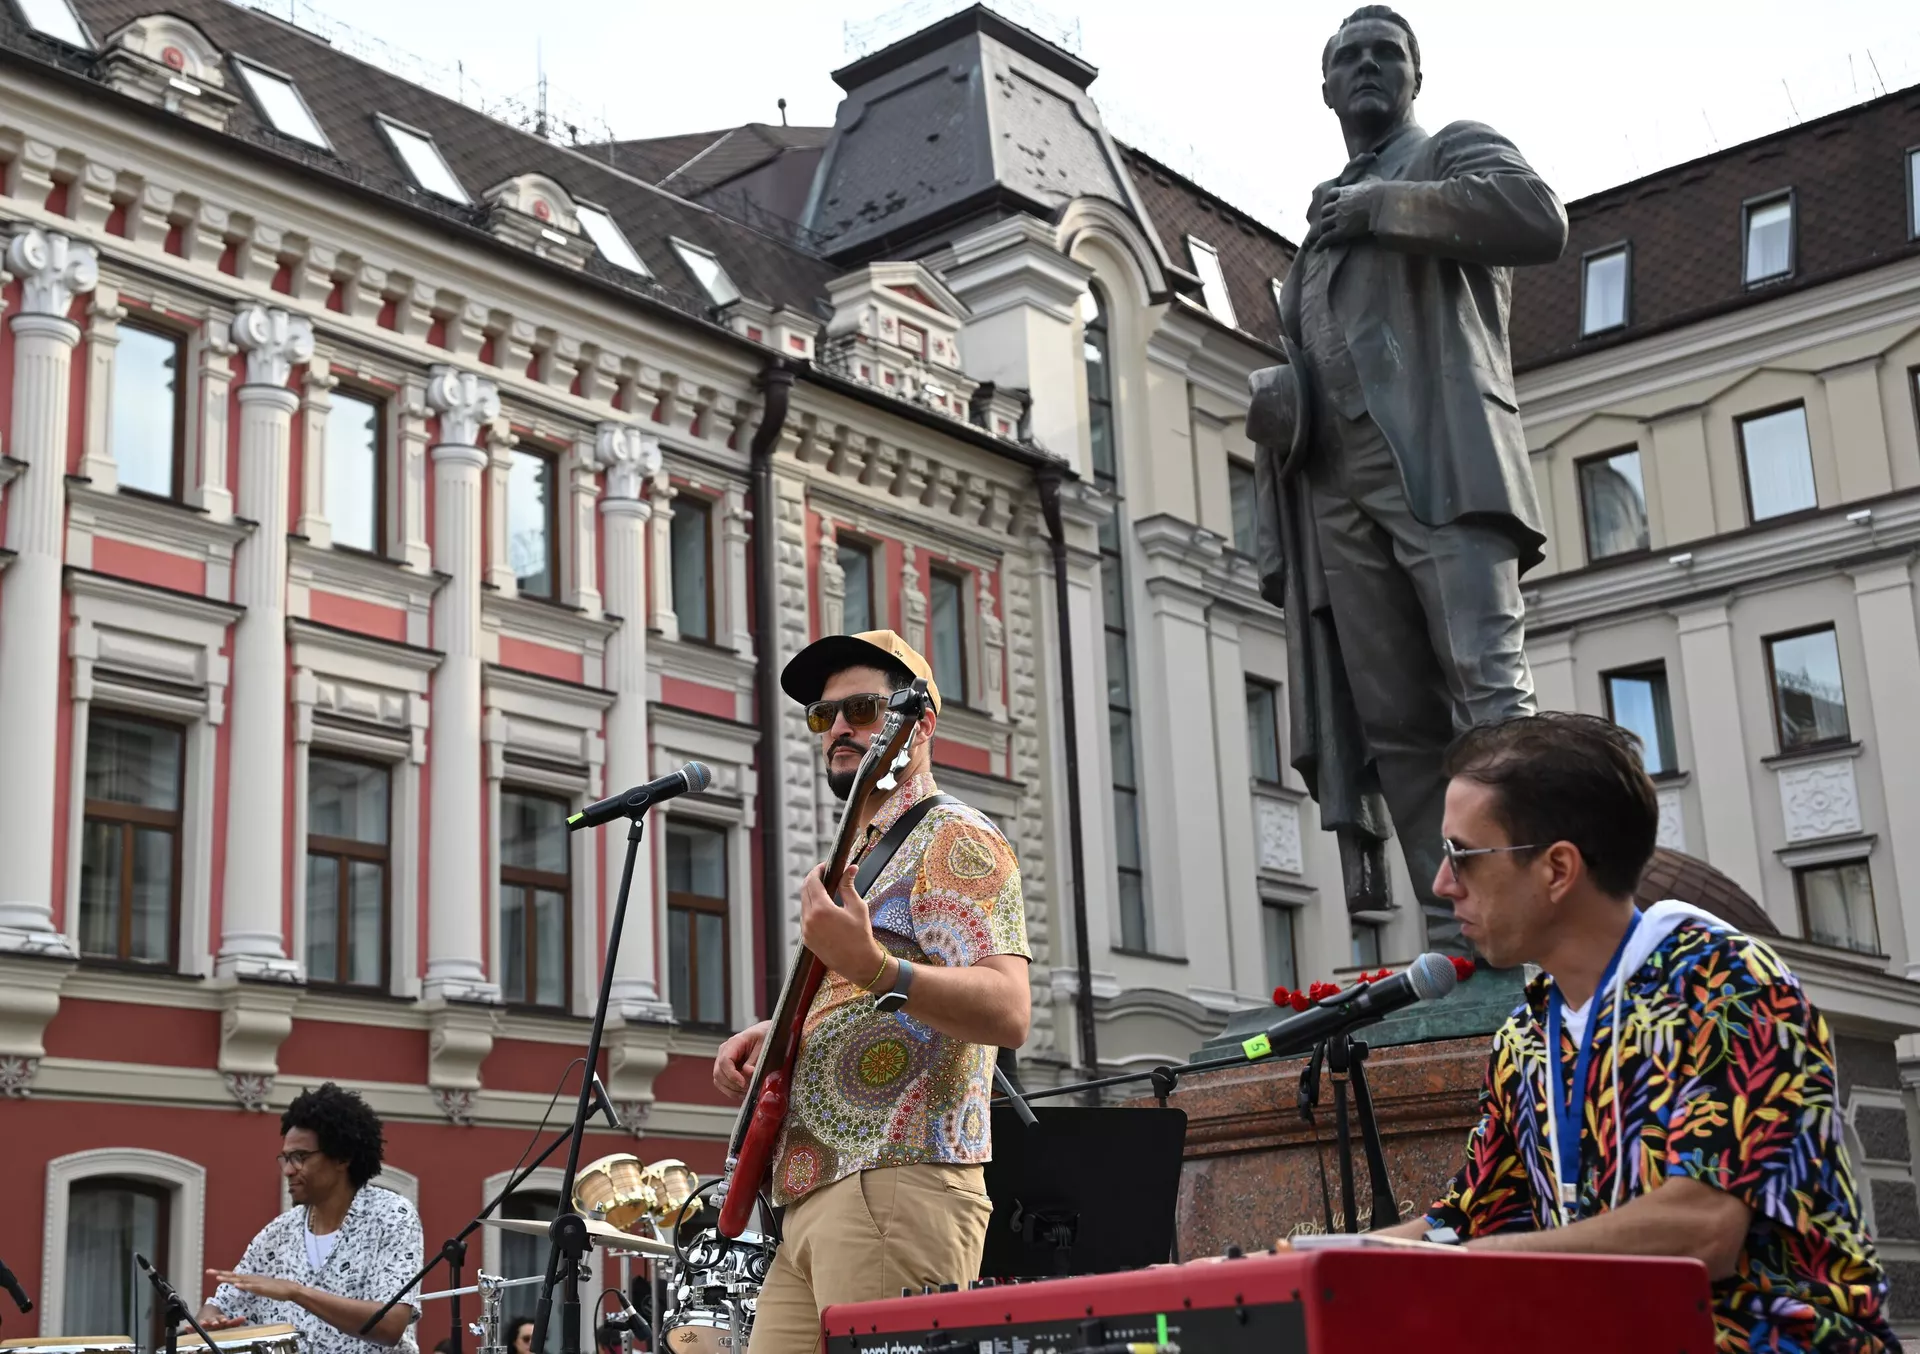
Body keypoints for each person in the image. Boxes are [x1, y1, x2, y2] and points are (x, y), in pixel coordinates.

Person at [1373, 713, 1896, 1352]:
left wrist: (1483, 1260)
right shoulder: (1526, 1034)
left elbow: (1701, 1229)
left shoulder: (1728, 987)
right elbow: (1462, 1227)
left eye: (1463, 855)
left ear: (1557, 869)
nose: (1441, 883)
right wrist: (1286, 1264)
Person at [1250, 4, 1567, 952]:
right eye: (1348, 57)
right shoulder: (1316, 223)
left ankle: (1539, 907)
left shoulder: (1447, 155)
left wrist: (1382, 208)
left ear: (1415, 78)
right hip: (1335, 488)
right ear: (1324, 87)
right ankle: (1456, 926)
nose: (1367, 68)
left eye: (1387, 54)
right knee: (1394, 718)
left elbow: (1536, 216)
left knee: (1487, 687)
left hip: (1442, 464)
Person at [712, 630, 1031, 1354]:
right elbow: (874, 989)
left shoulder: (954, 836)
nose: (839, 729)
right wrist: (783, 1034)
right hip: (817, 1196)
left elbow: (1008, 1011)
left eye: (861, 708)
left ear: (919, 724)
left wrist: (874, 968)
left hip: (894, 1179)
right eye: (824, 716)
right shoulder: (861, 857)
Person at [199, 1082, 425, 1354]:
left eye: (300, 1157)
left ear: (342, 1157)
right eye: (285, 1158)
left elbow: (390, 1325)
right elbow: (220, 1305)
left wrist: (297, 1292)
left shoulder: (391, 1216)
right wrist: (209, 1323)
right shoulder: (277, 1234)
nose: (288, 1171)